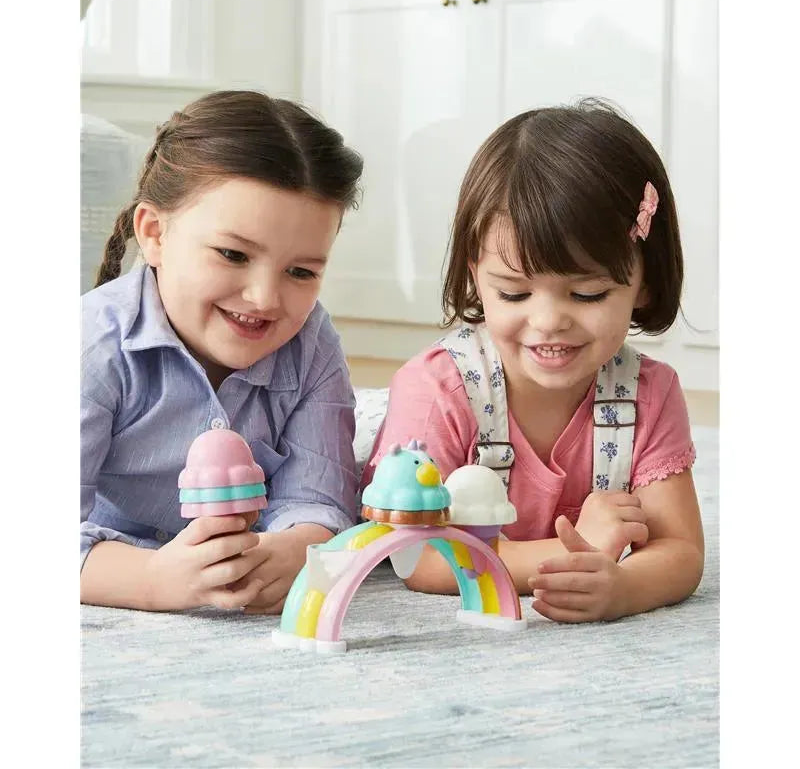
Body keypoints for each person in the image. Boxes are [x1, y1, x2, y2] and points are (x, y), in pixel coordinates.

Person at [362, 99, 704, 623]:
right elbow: (419, 558)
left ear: (644, 282)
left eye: (587, 294)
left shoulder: (648, 394)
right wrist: (575, 550)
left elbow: (679, 549)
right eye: (514, 293)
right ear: (476, 275)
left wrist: (624, 587)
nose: (547, 322)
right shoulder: (437, 390)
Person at [81, 90, 363, 614]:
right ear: (155, 233)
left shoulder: (311, 343)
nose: (265, 298)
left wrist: (298, 548)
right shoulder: (91, 344)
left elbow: (319, 498)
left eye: (300, 271)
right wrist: (149, 580)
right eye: (233, 254)